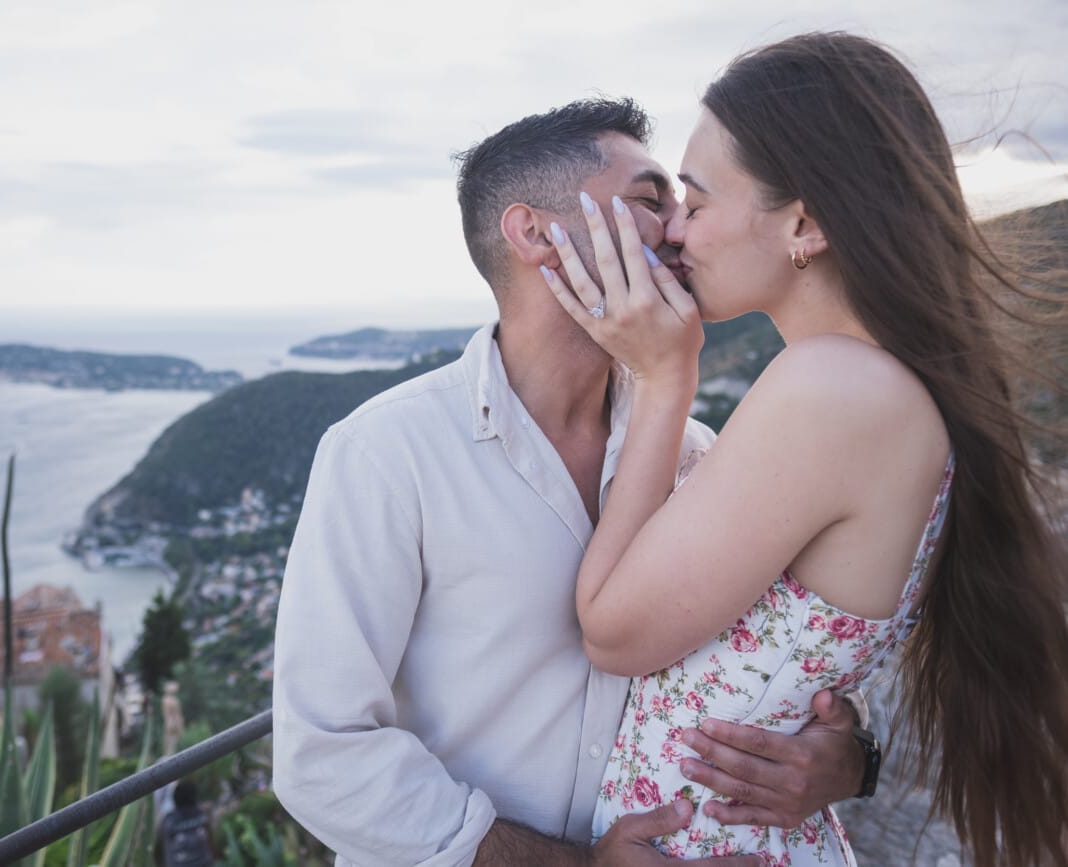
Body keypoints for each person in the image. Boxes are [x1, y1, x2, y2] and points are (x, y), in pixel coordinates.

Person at [272, 98, 871, 867]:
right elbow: (321, 752)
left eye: (685, 204)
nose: (681, 229)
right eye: (652, 201)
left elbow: (782, 654)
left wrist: (849, 754)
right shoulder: (387, 455)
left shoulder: (696, 453)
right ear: (534, 234)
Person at [541, 33, 1068, 867]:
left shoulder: (832, 389)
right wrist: (853, 747)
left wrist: (665, 379)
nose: (675, 232)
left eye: (698, 201)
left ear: (806, 223)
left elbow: (613, 633)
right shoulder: (878, 384)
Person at [156, 779, 213, 867]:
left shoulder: (169, 821)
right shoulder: (201, 816)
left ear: (175, 799)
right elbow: (210, 839)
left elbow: (162, 842)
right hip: (204, 863)